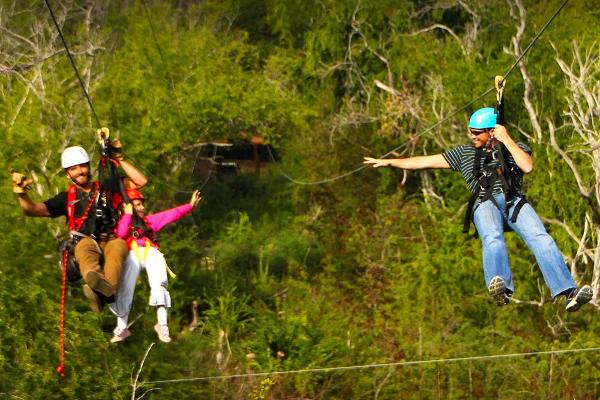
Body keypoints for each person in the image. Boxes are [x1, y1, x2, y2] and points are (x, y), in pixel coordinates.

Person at [363, 107, 593, 311]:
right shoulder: (464, 154)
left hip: (514, 202)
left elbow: (527, 166)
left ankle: (568, 292)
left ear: (491, 132)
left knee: (542, 239)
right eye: (470, 131)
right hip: (485, 204)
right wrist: (390, 162)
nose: (471, 135)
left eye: (477, 132)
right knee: (492, 238)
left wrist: (506, 139)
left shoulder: (513, 148)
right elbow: (426, 161)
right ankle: (500, 288)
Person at [11, 131, 148, 312]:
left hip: (111, 238)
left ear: (89, 167)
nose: (80, 171)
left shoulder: (107, 186)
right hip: (85, 240)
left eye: (82, 166)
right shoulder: (66, 198)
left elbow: (140, 181)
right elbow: (32, 210)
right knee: (83, 248)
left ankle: (103, 291)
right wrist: (22, 193)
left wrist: (119, 158)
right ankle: (96, 281)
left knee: (118, 247)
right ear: (68, 174)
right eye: (74, 168)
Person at [109, 188, 202, 343]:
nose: (142, 208)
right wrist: (128, 214)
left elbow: (171, 214)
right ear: (129, 206)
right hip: (133, 253)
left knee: (160, 283)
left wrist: (189, 206)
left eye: (142, 205)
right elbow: (120, 234)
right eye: (138, 205)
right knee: (126, 286)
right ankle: (121, 327)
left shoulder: (150, 222)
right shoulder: (123, 223)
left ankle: (162, 324)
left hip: (150, 251)